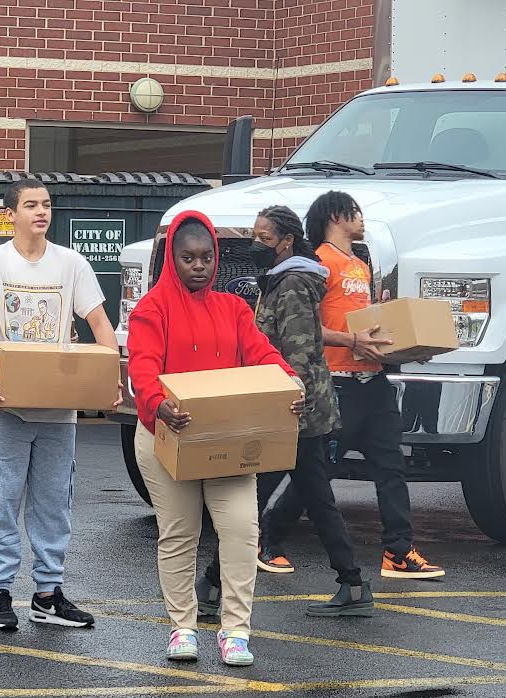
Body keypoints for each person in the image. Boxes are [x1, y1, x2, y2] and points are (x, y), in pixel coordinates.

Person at [126, 211, 306, 666]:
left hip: (224, 440)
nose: (199, 266)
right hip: (166, 435)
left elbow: (263, 353)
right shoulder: (153, 308)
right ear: (173, 259)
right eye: (188, 258)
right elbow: (142, 365)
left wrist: (288, 380)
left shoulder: (234, 309)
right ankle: (183, 627)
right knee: (179, 534)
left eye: (206, 257)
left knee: (242, 530)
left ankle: (235, 632)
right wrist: (157, 400)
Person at [200, 204, 374, 618]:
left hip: (292, 411)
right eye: (255, 236)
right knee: (308, 497)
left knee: (250, 498)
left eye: (264, 238)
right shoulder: (285, 279)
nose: (256, 244)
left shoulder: (293, 283)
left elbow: (297, 351)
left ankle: (210, 585)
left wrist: (286, 404)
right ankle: (352, 584)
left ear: (286, 241)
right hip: (298, 410)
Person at [0, 178, 119, 631]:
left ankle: (48, 595)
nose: (41, 212)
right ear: (11, 213)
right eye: (31, 205)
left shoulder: (71, 263)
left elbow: (99, 323)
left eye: (47, 204)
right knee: (1, 502)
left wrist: (110, 376)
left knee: (54, 503)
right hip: (7, 405)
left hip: (59, 409)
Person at [269, 191, 445, 580]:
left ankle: (398, 550)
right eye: (356, 212)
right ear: (336, 215)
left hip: (373, 380)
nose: (362, 219)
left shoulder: (360, 264)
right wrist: (351, 341)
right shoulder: (318, 263)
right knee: (319, 470)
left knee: (391, 465)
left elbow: (362, 320)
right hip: (337, 383)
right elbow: (303, 325)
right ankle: (269, 537)